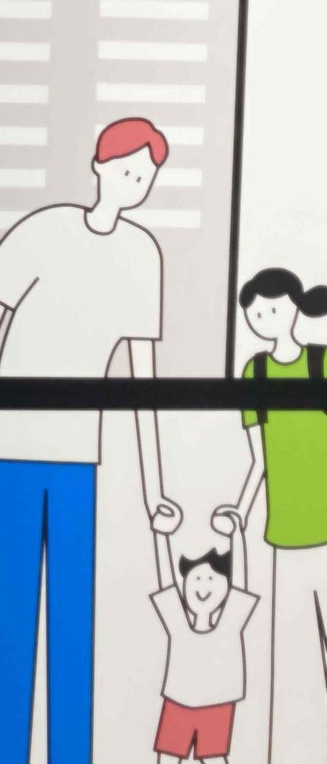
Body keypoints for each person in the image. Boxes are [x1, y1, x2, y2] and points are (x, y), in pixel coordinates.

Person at [0, 117, 182, 764]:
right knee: (9, 625)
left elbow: (143, 384)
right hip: (11, 450)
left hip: (78, 458)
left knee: (73, 627)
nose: (136, 184)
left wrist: (155, 492)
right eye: (127, 170)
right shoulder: (42, 231)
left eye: (146, 177)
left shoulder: (142, 254)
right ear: (98, 166)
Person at [219, 268, 327, 763]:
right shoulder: (255, 374)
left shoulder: (321, 362)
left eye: (272, 308)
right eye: (256, 313)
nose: (264, 318)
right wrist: (240, 510)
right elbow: (258, 460)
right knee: (293, 657)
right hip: (284, 532)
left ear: (295, 306)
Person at [149, 511, 258, 764]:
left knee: (214, 757)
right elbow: (166, 585)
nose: (203, 586)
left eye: (210, 578)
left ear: (225, 587)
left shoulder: (230, 623)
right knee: (167, 757)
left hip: (217, 706)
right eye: (196, 578)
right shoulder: (178, 624)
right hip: (177, 703)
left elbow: (240, 586)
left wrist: (237, 535)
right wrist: (160, 535)